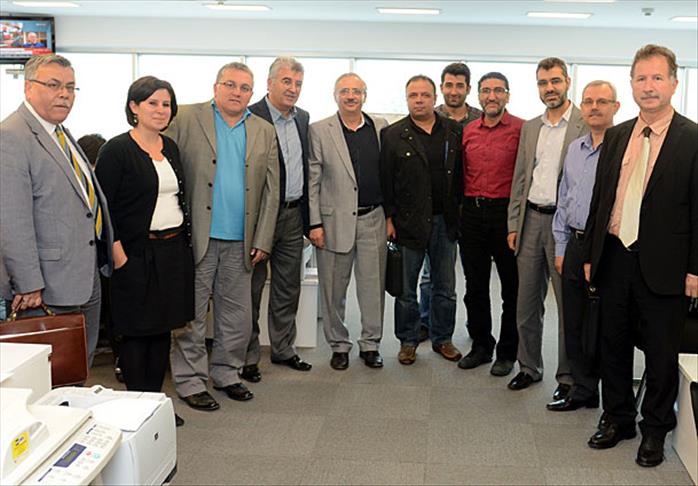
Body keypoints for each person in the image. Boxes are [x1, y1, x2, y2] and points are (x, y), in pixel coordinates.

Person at [583, 45, 697, 467]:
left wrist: (695, 270)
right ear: (631, 84)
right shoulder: (617, 135)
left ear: (673, 83)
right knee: (610, 343)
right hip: (615, 255)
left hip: (667, 263)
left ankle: (654, 429)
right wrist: (592, 254)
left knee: (660, 352)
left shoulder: (693, 138)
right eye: (641, 78)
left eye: (657, 78)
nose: (649, 87)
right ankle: (617, 418)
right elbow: (601, 200)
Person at [166, 62, 279, 411]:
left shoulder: (263, 130)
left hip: (241, 241)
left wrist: (263, 238)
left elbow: (272, 190)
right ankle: (190, 381)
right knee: (192, 317)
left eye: (244, 88)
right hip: (196, 238)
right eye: (230, 84)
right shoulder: (186, 118)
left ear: (252, 93)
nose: (236, 92)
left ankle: (227, 374)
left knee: (236, 317)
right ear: (216, 87)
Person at [0, 54, 113, 367]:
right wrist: (28, 283)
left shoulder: (60, 133)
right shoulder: (11, 136)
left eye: (70, 87)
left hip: (83, 274)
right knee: (49, 373)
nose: (64, 94)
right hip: (44, 287)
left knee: (78, 366)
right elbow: (12, 219)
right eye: (53, 85)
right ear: (28, 88)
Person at [96, 76, 194, 427]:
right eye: (152, 103)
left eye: (166, 104)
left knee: (161, 331)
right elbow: (102, 207)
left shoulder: (171, 148)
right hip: (134, 254)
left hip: (172, 252)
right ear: (134, 107)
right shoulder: (117, 150)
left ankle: (155, 404)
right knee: (137, 334)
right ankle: (139, 408)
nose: (160, 110)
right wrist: (117, 253)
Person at [506, 57, 587, 399]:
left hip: (563, 226)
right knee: (525, 302)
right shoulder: (530, 128)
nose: (549, 88)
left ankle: (567, 376)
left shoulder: (585, 123)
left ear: (567, 81)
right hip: (530, 221)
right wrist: (513, 223)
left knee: (567, 306)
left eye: (555, 81)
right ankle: (528, 366)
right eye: (543, 83)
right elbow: (520, 178)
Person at [380, 75, 463, 365]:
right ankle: (408, 341)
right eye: (413, 95)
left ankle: (443, 339)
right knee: (406, 290)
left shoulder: (454, 131)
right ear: (407, 99)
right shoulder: (392, 134)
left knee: (445, 287)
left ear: (434, 98)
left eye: (425, 95)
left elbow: (461, 176)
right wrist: (389, 219)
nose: (419, 100)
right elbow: (386, 181)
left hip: (444, 222)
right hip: (408, 223)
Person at [308, 73, 388, 370]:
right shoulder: (319, 130)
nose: (351, 96)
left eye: (356, 91)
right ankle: (339, 345)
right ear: (335, 95)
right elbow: (313, 180)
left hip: (373, 218)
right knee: (333, 289)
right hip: (332, 222)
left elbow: (388, 175)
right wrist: (314, 223)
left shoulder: (380, 127)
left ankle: (371, 344)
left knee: (372, 287)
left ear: (365, 95)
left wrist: (390, 217)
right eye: (345, 91)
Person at [548, 80, 620, 412]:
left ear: (615, 107)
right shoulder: (575, 149)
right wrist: (561, 246)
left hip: (607, 248)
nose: (594, 107)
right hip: (574, 244)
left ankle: (612, 398)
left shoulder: (622, 149)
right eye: (588, 101)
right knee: (574, 320)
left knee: (605, 324)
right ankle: (583, 389)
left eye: (602, 101)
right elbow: (564, 198)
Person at [244, 57, 312, 383]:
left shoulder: (303, 119)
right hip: (259, 218)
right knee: (251, 289)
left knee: (288, 287)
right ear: (269, 83)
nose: (293, 89)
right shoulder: (249, 116)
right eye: (286, 81)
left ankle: (283, 349)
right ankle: (247, 357)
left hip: (293, 215)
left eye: (298, 83)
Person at [457, 72, 523, 377]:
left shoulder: (522, 129)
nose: (491, 96)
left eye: (498, 90)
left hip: (505, 215)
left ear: (507, 95)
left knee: (511, 289)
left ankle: (507, 352)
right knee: (475, 287)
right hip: (472, 214)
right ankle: (481, 346)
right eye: (486, 91)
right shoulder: (468, 130)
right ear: (479, 95)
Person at [419, 62, 483, 341]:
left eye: (459, 85)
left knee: (471, 272)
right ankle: (425, 321)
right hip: (435, 209)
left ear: (468, 88)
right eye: (449, 85)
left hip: (469, 207)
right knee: (429, 274)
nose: (454, 91)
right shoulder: (429, 117)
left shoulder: (480, 119)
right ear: (441, 87)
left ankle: (473, 323)